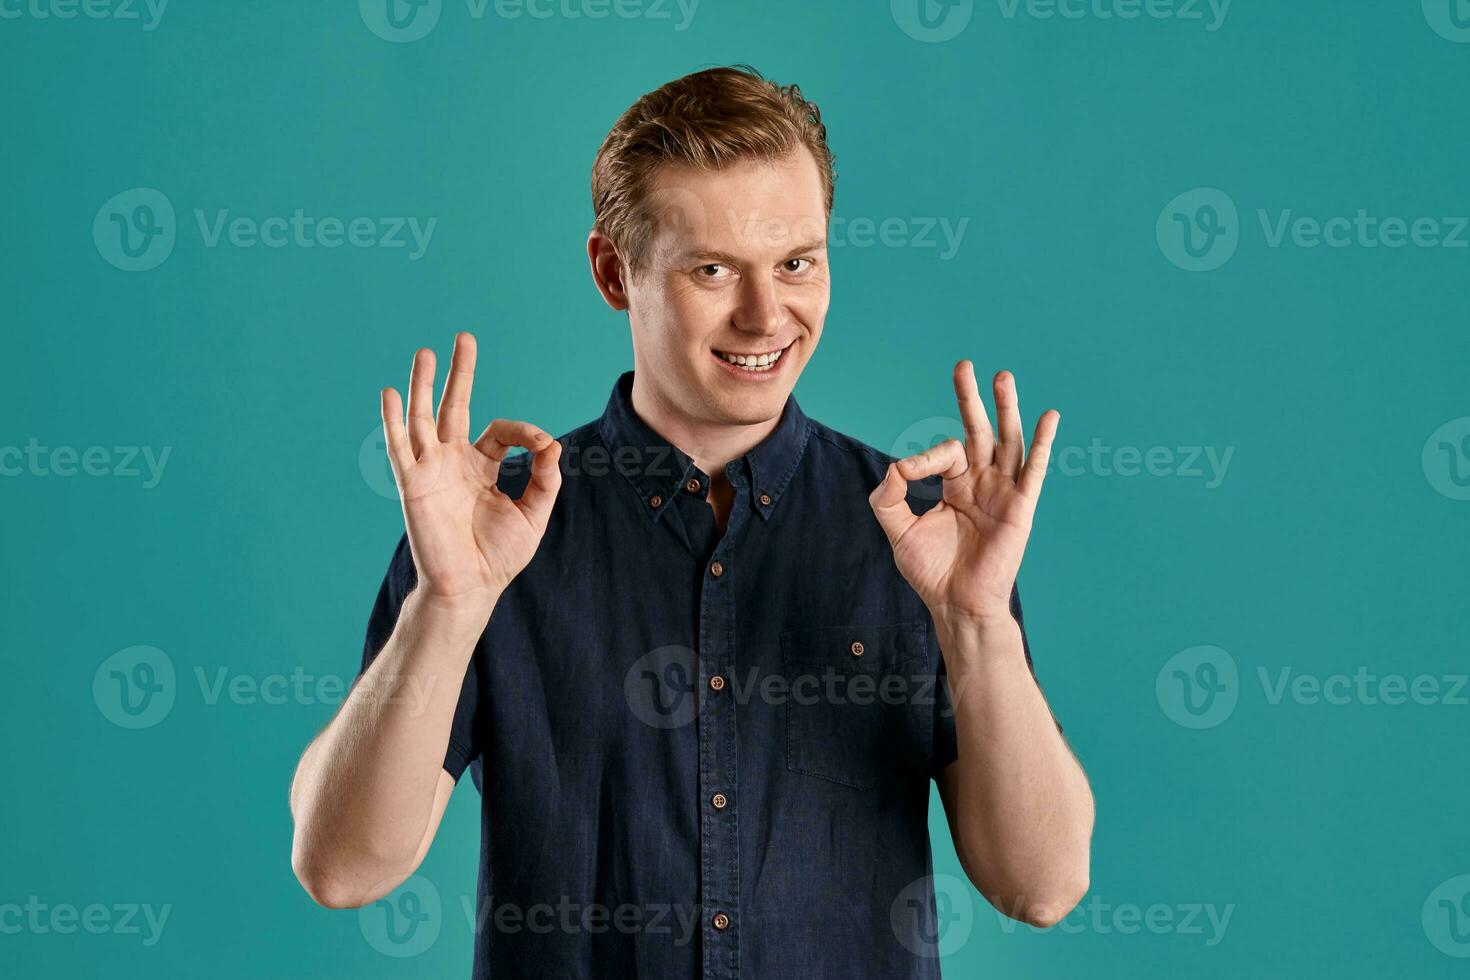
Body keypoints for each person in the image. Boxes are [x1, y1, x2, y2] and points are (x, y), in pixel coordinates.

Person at [289, 64, 1093, 979]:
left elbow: (1042, 885)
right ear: (612, 272)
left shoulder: (923, 535)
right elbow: (343, 867)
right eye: (713, 270)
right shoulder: (485, 533)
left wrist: (977, 621)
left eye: (797, 263)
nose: (765, 315)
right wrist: (445, 605)